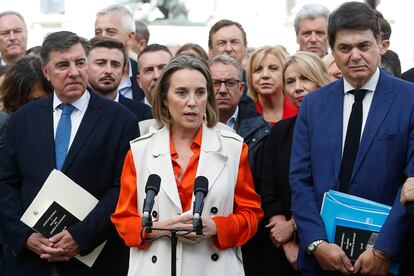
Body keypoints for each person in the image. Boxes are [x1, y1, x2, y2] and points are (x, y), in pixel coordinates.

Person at [290, 2, 414, 275]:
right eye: (345, 48)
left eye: (364, 46)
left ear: (382, 45)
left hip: (385, 260)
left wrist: (383, 250)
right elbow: (300, 179)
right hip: (322, 260)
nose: (355, 55)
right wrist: (317, 242)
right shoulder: (314, 105)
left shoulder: (410, 99)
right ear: (332, 51)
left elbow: (411, 184)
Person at [0, 31, 137, 275]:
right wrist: (24, 236)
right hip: (30, 261)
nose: (73, 72)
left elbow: (123, 188)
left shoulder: (121, 120)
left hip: (94, 260)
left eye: (80, 63)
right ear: (46, 72)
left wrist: (80, 236)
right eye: (63, 65)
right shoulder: (22, 120)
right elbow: (6, 183)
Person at [111, 55, 263, 276]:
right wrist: (160, 229)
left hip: (214, 267)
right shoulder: (140, 150)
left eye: (200, 93)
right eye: (181, 92)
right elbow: (123, 220)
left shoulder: (233, 148)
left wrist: (216, 227)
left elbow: (251, 214)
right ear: (164, 98)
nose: (192, 102)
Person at [260, 52, 330, 276]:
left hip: (332, 243)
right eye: (290, 81)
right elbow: (268, 191)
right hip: (285, 254)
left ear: (321, 80)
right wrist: (288, 245)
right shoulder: (280, 131)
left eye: (305, 78)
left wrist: (294, 224)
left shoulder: (339, 128)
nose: (298, 88)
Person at [208, 54, 269, 276]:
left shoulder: (262, 132)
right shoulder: (188, 127)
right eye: (215, 83)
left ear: (242, 88)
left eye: (230, 83)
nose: (222, 89)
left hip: (248, 239)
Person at [87, 36, 152, 123]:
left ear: (123, 71)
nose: (108, 71)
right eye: (100, 63)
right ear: (85, 67)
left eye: (115, 65)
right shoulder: (71, 110)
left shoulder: (143, 114)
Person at [95, 5, 145, 101]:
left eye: (110, 32)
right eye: (98, 32)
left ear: (130, 37)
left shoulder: (144, 74)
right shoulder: (84, 75)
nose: (102, 37)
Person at [247, 45, 297, 125]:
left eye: (273, 68)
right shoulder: (243, 115)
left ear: (285, 73)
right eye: (258, 70)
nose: (265, 75)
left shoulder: (300, 111)